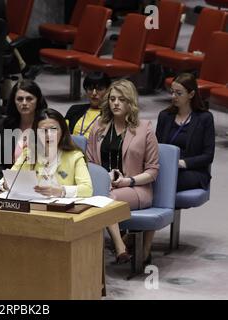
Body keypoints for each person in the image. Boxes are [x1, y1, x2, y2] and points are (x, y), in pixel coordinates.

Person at [87, 79, 159, 264]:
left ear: (130, 102)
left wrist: (128, 181)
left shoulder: (144, 129)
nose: (115, 103)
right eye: (112, 99)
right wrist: (104, 178)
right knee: (100, 197)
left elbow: (152, 170)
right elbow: (89, 162)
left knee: (107, 200)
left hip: (136, 188)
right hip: (104, 186)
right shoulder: (99, 127)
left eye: (121, 99)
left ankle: (119, 247)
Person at [8, 108, 93, 198]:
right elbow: (9, 178)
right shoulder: (28, 154)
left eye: (53, 129)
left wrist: (59, 191)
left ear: (63, 131)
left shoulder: (75, 156)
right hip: (33, 206)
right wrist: (6, 184)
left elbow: (87, 189)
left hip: (61, 209)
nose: (49, 135)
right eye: (43, 131)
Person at [156, 73, 215, 191]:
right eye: (172, 92)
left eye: (179, 93)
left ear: (191, 94)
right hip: (166, 167)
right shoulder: (165, 116)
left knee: (167, 181)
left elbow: (208, 156)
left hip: (192, 170)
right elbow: (156, 147)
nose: (173, 96)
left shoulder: (204, 118)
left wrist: (182, 163)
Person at [0, 80, 47, 181]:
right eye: (20, 99)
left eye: (29, 99)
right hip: (10, 183)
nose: (24, 103)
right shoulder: (5, 124)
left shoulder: (47, 124)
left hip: (41, 183)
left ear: (38, 100)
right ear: (14, 101)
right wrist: (4, 181)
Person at [65, 72, 111, 139]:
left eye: (99, 89)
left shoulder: (111, 114)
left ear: (108, 91)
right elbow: (61, 130)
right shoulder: (74, 109)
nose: (94, 93)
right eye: (90, 89)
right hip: (72, 148)